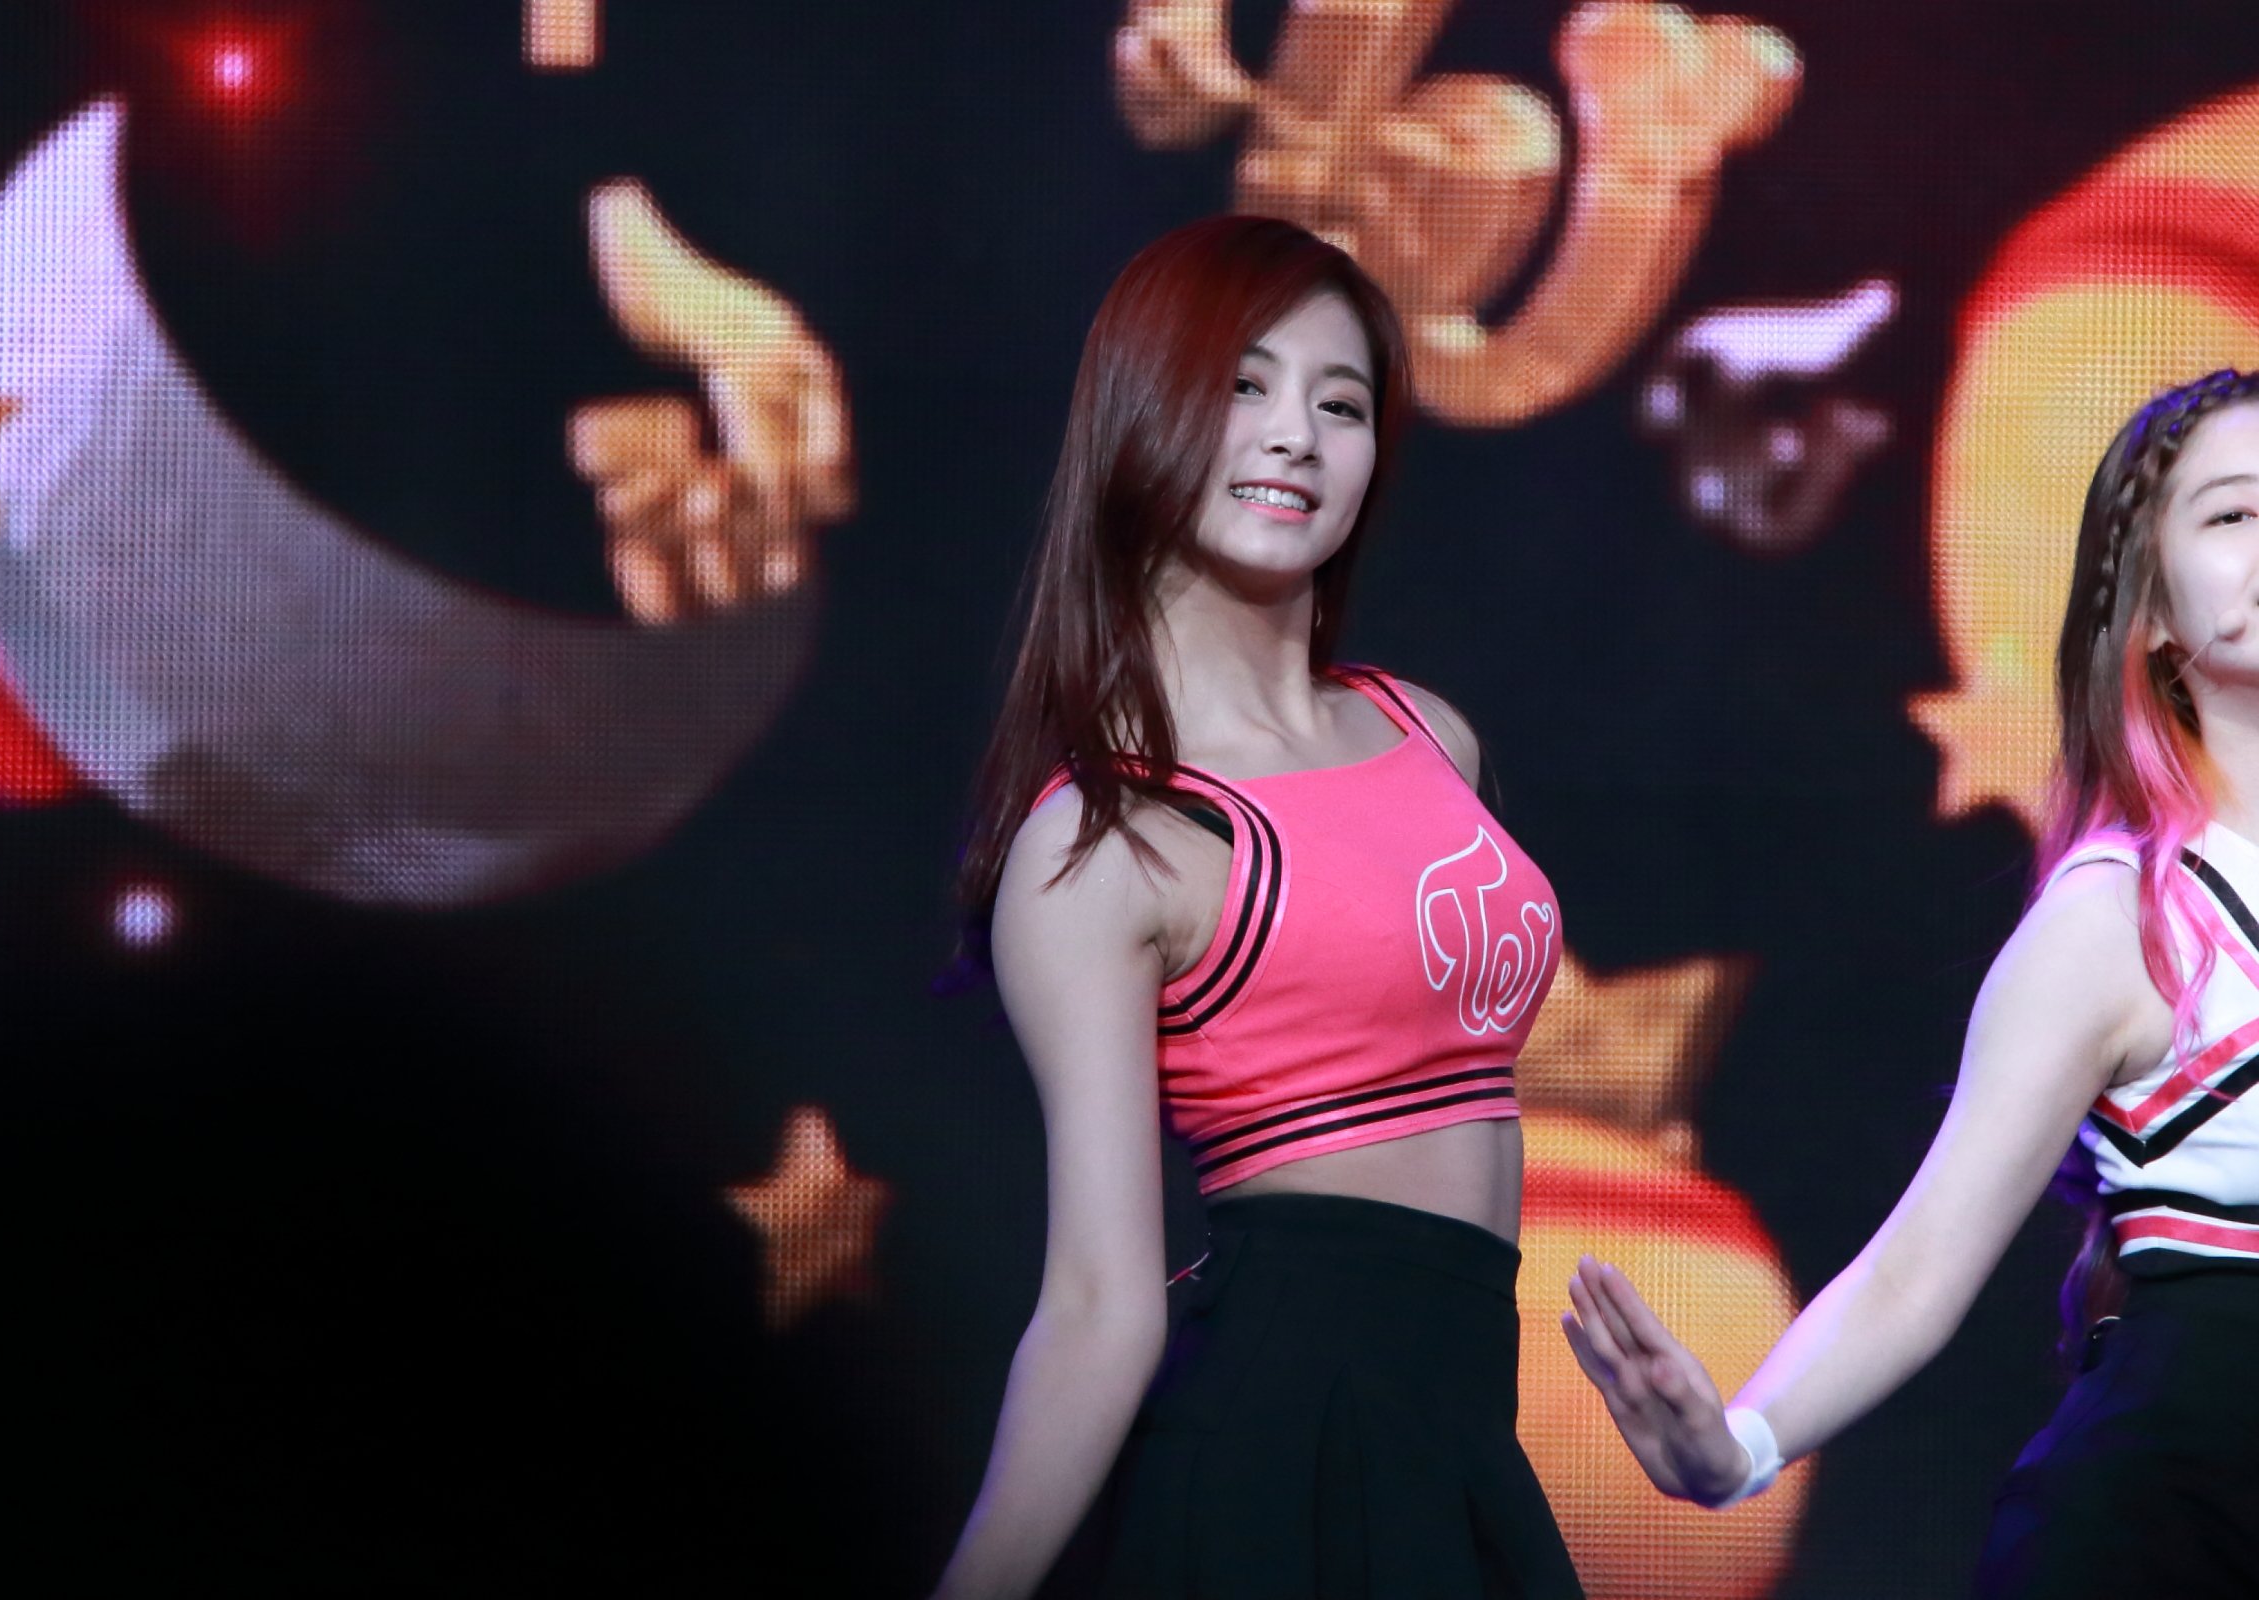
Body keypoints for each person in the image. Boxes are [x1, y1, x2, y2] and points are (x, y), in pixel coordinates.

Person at [930, 214, 1584, 1600]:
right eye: (1242, 385)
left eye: (1340, 404)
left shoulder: (1429, 734)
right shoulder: (1110, 838)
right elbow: (1098, 1303)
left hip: (1459, 1418)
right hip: (1281, 1443)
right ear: (1141, 414)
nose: (1295, 435)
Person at [1563, 368, 2259, 1597]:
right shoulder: (2122, 920)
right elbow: (1917, 1263)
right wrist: (1742, 1445)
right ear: (2155, 611)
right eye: (2234, 513)